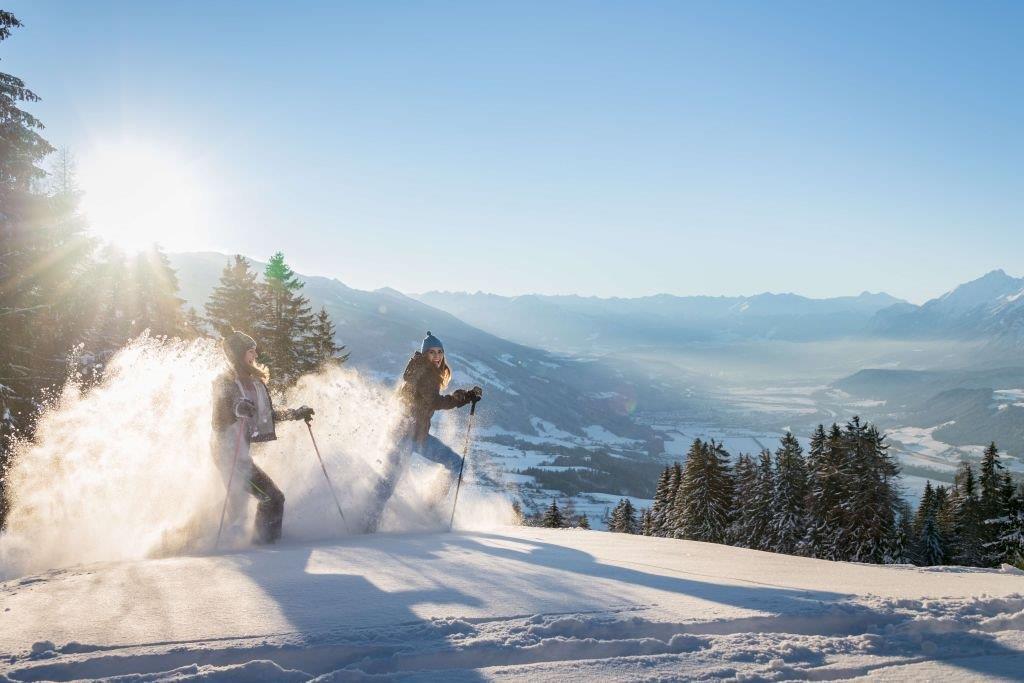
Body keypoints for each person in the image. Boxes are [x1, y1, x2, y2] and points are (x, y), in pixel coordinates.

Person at [365, 331, 483, 532]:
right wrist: (464, 397)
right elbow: (435, 401)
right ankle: (370, 523)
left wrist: (463, 397)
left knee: (454, 464)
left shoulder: (419, 369)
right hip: (405, 436)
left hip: (416, 436)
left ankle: (373, 520)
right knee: (388, 483)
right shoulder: (427, 373)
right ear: (424, 354)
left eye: (440, 352)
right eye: (432, 352)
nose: (437, 356)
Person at [211, 330, 315, 544]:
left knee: (240, 506)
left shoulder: (254, 383)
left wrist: (296, 413)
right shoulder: (224, 381)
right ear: (238, 354)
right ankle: (266, 550)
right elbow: (222, 414)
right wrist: (238, 409)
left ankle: (196, 534)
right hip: (227, 453)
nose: (255, 356)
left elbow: (267, 413)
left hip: (240, 455)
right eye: (251, 351)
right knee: (273, 498)